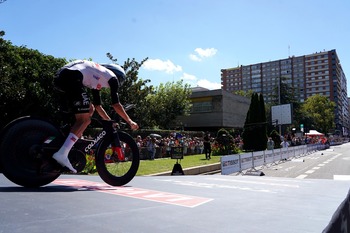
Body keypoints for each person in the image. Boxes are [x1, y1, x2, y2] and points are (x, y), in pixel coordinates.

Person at [53, 60, 139, 173]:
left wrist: (108, 121)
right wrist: (130, 121)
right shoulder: (113, 78)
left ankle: (70, 137)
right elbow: (116, 105)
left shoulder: (97, 76)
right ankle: (62, 153)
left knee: (90, 108)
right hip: (72, 76)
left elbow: (98, 106)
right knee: (85, 120)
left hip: (62, 77)